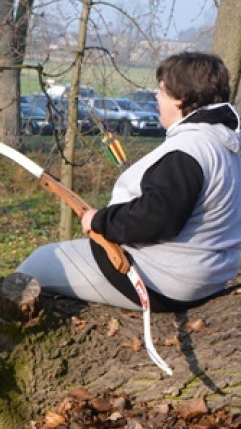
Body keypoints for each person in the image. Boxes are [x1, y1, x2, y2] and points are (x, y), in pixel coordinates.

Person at [18, 51, 241, 311]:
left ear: (181, 98)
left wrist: (99, 221)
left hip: (163, 278)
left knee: (36, 265)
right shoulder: (224, 145)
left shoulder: (189, 149)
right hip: (206, 276)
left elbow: (157, 218)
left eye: (162, 91)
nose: (157, 98)